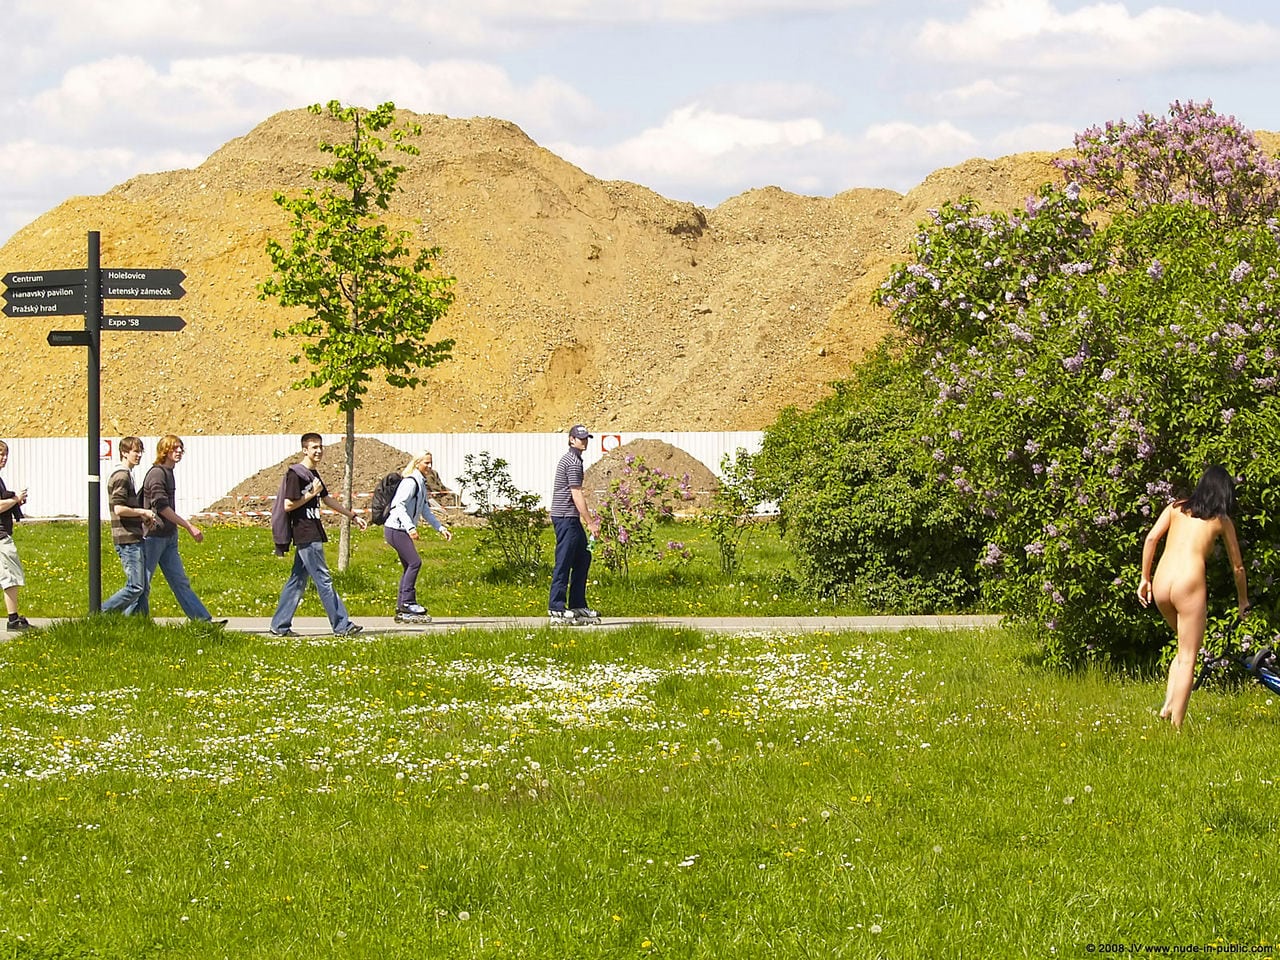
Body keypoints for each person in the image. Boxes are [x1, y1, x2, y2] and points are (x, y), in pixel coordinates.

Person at [1138, 465, 1250, 730]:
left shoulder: (1175, 507)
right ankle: (1176, 728)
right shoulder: (1221, 520)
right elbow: (1238, 567)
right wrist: (1243, 600)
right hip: (1188, 581)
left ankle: (1167, 706)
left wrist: (1145, 578)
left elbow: (1152, 538)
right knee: (1189, 656)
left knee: (1182, 647)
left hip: (1162, 580)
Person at [269, 433, 366, 637]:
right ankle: (342, 626)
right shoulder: (296, 474)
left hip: (313, 530)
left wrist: (352, 516)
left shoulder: (313, 473)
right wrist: (311, 494)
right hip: (305, 532)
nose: (319, 451)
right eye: (314, 447)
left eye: (320, 447)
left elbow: (327, 499)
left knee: (297, 580)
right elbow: (288, 505)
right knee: (324, 579)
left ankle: (279, 625)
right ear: (305, 450)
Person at [140, 434, 223, 623]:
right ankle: (127, 619)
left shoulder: (169, 472)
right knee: (142, 583)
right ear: (164, 451)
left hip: (168, 536)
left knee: (180, 581)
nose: (179, 451)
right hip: (154, 536)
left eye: (180, 448)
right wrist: (188, 526)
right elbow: (161, 507)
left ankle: (202, 621)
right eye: (174, 448)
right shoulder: (157, 474)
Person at [385, 451, 453, 623]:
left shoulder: (421, 482)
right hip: (396, 529)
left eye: (431, 463)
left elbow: (425, 510)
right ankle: (408, 602)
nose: (429, 466)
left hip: (401, 529)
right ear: (417, 463)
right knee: (415, 563)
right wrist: (410, 527)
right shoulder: (410, 482)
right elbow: (397, 506)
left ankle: (402, 607)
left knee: (409, 565)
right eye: (426, 463)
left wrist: (440, 528)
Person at [548, 424, 601, 623]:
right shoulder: (572, 462)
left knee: (583, 558)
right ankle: (556, 607)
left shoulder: (574, 459)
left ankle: (578, 604)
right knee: (564, 561)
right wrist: (590, 522)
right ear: (571, 439)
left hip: (570, 517)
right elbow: (576, 493)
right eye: (580, 438)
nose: (584, 441)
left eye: (586, 438)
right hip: (565, 517)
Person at [102, 437, 158, 615]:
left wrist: (142, 517)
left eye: (141, 451)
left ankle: (139, 621)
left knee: (143, 587)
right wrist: (143, 512)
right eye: (135, 451)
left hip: (133, 536)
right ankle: (100, 614)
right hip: (127, 538)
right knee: (136, 586)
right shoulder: (122, 475)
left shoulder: (126, 474)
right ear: (124, 453)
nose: (139, 455)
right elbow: (119, 509)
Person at [0, 440, 30, 632]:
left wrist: (15, 502)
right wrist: (15, 499)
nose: (3, 459)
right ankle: (13, 620)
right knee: (10, 576)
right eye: (0, 455)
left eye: (5, 455)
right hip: (1, 537)